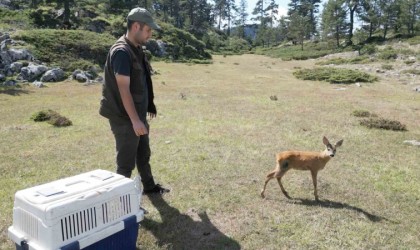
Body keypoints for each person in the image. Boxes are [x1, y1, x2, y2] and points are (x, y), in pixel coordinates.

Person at [99, 7, 169, 194]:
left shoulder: (136, 49)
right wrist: (135, 120)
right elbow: (124, 89)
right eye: (148, 30)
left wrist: (143, 113)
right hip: (124, 117)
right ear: (136, 26)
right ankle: (119, 201)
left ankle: (149, 186)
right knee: (125, 162)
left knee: (143, 153)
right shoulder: (122, 52)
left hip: (136, 113)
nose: (150, 34)